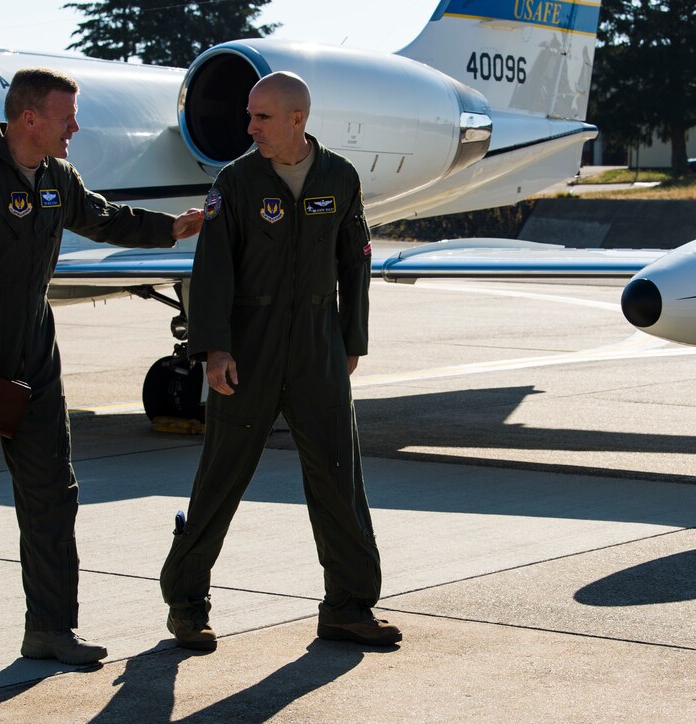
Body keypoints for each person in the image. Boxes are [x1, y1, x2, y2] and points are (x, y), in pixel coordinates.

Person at [0, 67, 203, 665]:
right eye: (66, 116)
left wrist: (171, 229)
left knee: (53, 491)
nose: (75, 126)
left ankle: (50, 629)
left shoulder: (57, 176)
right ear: (29, 117)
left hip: (35, 347)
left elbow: (102, 216)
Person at [159, 71, 400, 651]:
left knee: (339, 478)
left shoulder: (339, 178)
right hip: (249, 348)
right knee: (221, 477)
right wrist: (214, 349)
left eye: (262, 118)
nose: (250, 128)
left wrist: (350, 342)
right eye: (249, 116)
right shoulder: (235, 181)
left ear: (298, 119)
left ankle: (348, 605)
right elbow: (211, 267)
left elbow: (356, 263)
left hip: (317, 346)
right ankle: (187, 605)